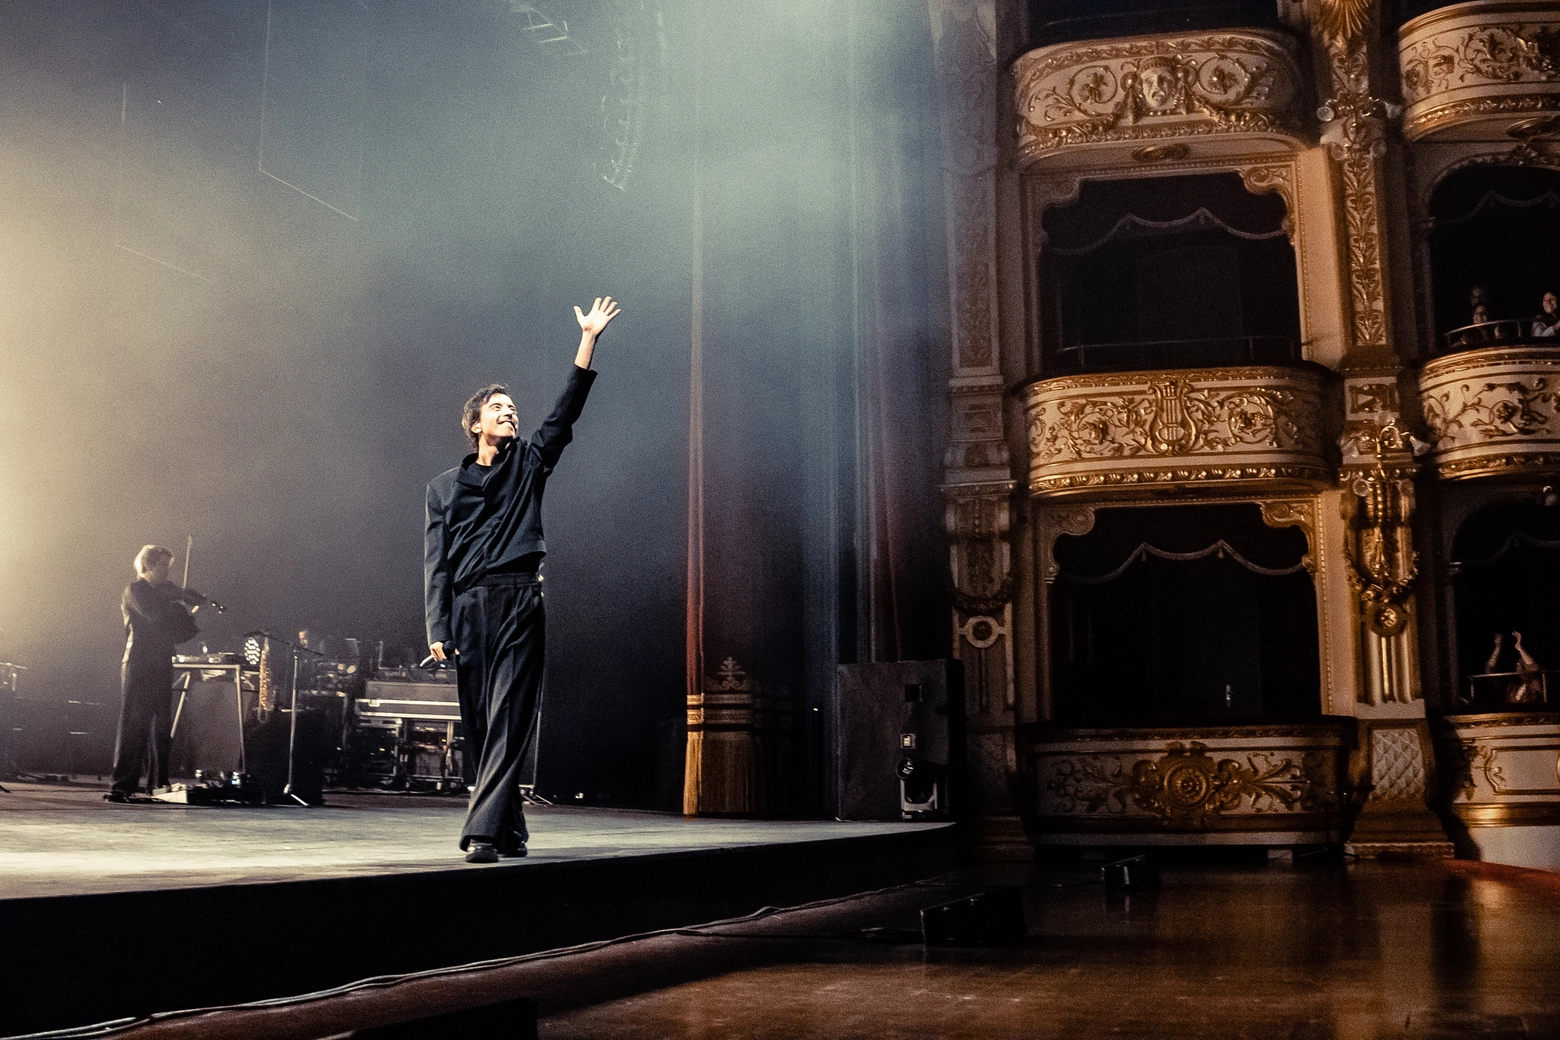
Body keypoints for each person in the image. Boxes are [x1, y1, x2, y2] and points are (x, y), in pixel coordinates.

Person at [424, 296, 621, 863]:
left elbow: (565, 411)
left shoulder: (530, 461)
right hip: (466, 608)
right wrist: (437, 624)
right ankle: (511, 829)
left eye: (513, 407)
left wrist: (588, 340)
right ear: (475, 424)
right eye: (500, 408)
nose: (511, 413)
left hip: (518, 600)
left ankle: (481, 831)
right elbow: (435, 561)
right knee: (482, 724)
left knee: (510, 714)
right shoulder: (441, 488)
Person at [107, 545, 201, 802]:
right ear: (147, 566)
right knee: (134, 724)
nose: (168, 573)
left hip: (161, 662)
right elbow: (155, 618)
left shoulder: (164, 595)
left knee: (160, 726)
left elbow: (182, 634)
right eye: (163, 567)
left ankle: (157, 784)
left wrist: (188, 614)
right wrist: (176, 601)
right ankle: (122, 784)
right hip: (138, 662)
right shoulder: (136, 590)